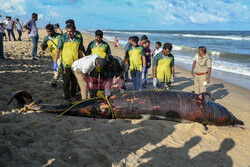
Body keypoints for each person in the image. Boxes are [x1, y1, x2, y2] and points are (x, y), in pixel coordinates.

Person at [54, 23, 84, 100]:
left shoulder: (78, 40)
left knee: (74, 81)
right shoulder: (63, 38)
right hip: (65, 64)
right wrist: (55, 62)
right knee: (66, 82)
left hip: (76, 65)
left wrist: (82, 62)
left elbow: (80, 51)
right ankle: (67, 97)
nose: (68, 33)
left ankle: (73, 95)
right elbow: (58, 51)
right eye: (67, 31)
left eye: (70, 31)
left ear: (74, 31)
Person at [86, 29, 111, 97]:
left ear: (102, 37)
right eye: (97, 37)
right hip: (94, 66)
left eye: (99, 37)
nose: (98, 38)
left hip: (103, 66)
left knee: (102, 80)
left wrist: (108, 64)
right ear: (95, 36)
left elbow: (109, 55)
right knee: (94, 80)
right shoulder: (91, 44)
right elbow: (87, 54)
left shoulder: (106, 45)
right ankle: (93, 94)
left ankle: (101, 94)